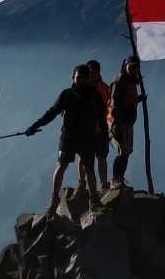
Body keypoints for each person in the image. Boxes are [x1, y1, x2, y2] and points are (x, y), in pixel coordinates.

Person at [25, 64, 103, 214]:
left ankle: (94, 200)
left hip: (86, 138)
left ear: (88, 78)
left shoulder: (94, 95)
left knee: (88, 169)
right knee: (62, 166)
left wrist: (103, 133)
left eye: (83, 77)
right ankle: (54, 201)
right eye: (78, 76)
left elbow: (101, 117)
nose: (80, 80)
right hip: (70, 137)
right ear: (73, 77)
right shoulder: (68, 95)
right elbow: (53, 112)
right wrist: (35, 125)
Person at [108, 55, 145, 188]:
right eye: (131, 67)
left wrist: (139, 99)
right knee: (123, 151)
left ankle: (119, 178)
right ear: (125, 66)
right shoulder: (120, 82)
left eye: (136, 67)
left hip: (127, 122)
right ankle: (115, 179)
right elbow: (114, 104)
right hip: (119, 122)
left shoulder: (131, 81)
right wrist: (117, 124)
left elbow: (127, 101)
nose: (134, 69)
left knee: (128, 150)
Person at [77, 59, 111, 192]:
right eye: (90, 72)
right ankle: (82, 183)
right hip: (85, 129)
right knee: (83, 157)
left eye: (94, 71)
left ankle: (103, 184)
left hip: (100, 129)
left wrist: (108, 125)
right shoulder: (81, 89)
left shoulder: (105, 88)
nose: (92, 74)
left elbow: (110, 109)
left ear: (98, 72)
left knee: (101, 157)